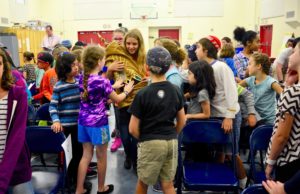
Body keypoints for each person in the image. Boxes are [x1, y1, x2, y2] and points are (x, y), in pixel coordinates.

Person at [76, 46, 134, 194]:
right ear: (99, 61)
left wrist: (112, 86)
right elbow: (118, 99)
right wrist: (127, 89)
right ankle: (101, 188)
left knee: (86, 155)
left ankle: (79, 189)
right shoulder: (102, 82)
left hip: (83, 122)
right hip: (98, 125)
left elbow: (96, 92)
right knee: (102, 157)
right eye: (103, 60)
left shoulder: (83, 77)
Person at [129, 46, 186, 194]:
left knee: (143, 183)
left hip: (150, 142)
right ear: (168, 68)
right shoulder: (175, 90)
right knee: (167, 185)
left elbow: (132, 128)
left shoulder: (142, 94)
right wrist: (172, 133)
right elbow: (182, 120)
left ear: (147, 67)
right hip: (171, 142)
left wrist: (146, 139)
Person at [196, 35, 247, 189]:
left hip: (228, 115)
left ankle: (243, 183)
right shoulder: (205, 67)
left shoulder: (221, 67)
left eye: (198, 47)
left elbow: (232, 92)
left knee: (232, 152)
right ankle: (217, 183)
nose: (196, 50)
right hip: (217, 116)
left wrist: (229, 116)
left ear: (205, 50)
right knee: (220, 151)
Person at [105, 29, 147, 170]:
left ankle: (135, 160)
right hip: (121, 100)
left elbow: (148, 76)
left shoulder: (143, 58)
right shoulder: (118, 57)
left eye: (134, 44)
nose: (131, 47)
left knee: (135, 132)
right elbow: (113, 79)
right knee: (124, 133)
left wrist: (146, 79)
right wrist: (110, 69)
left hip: (140, 100)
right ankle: (129, 156)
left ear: (139, 44)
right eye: (128, 43)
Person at [264, 40, 300, 183]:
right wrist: (287, 84)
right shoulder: (292, 90)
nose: (289, 56)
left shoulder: (293, 92)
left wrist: (270, 162)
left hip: (290, 161)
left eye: (294, 52)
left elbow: (281, 136)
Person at [0, 49, 33, 194]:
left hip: (15, 168)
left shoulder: (17, 94)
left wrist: (2, 180)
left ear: (4, 66)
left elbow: (16, 138)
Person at [239, 53, 283, 125]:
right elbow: (236, 88)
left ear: (259, 66)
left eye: (250, 64)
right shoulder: (250, 80)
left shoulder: (270, 82)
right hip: (257, 119)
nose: (247, 67)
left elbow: (284, 95)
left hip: (270, 121)